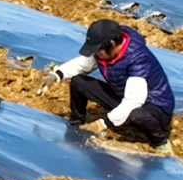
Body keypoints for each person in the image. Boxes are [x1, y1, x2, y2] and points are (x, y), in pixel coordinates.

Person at [38, 19, 175, 154]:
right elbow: (82, 65)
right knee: (79, 82)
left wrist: (102, 123)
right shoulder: (104, 52)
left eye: (99, 50)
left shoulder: (137, 59)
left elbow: (135, 100)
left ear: (112, 44)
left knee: (138, 115)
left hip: (154, 107)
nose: (97, 54)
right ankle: (76, 121)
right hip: (124, 97)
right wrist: (56, 75)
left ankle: (161, 143)